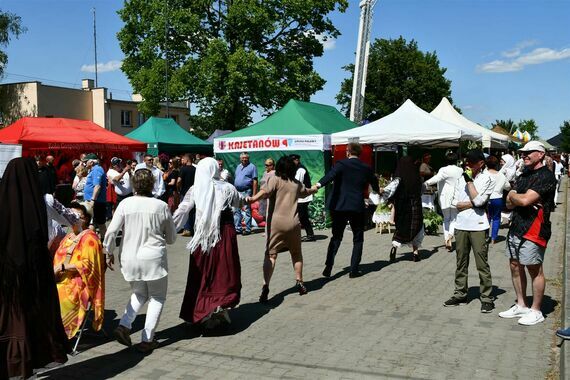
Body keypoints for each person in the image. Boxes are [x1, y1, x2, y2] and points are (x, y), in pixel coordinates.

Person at [0, 157, 69, 379]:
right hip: (30, 278)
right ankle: (24, 366)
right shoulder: (34, 203)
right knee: (26, 323)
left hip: (6, 278)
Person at [103, 168, 177, 353]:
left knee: (139, 293)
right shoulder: (160, 206)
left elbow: (111, 230)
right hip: (153, 258)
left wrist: (108, 251)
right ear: (152, 184)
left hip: (129, 257)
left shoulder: (125, 204)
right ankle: (147, 339)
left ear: (134, 184)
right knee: (157, 297)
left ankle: (125, 325)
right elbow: (171, 238)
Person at [173, 158, 242, 328]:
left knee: (202, 272)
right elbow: (239, 203)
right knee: (223, 271)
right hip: (223, 235)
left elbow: (183, 210)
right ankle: (217, 308)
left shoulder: (196, 189)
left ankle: (202, 310)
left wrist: (168, 228)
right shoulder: (227, 187)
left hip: (203, 237)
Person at [499, 141, 556, 326]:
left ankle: (536, 310)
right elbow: (508, 203)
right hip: (517, 226)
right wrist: (516, 198)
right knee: (515, 266)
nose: (523, 155)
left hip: (535, 228)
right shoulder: (524, 174)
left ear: (540, 154)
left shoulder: (546, 176)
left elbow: (522, 200)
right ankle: (521, 305)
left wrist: (515, 197)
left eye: (528, 152)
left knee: (534, 269)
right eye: (522, 153)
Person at [246, 156, 317, 302]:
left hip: (276, 224)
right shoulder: (296, 184)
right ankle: (300, 281)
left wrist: (253, 199)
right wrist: (315, 188)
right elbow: (306, 192)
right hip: (293, 223)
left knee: (271, 255)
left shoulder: (275, 179)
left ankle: (265, 286)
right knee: (296, 254)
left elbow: (265, 192)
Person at [315, 142, 380, 278]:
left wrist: (318, 185)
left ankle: (328, 266)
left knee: (336, 236)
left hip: (339, 206)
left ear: (348, 152)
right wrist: (378, 191)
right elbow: (374, 182)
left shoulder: (341, 164)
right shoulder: (365, 167)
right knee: (358, 238)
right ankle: (354, 270)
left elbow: (329, 176)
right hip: (356, 206)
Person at [444, 150, 496, 313]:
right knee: (461, 262)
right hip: (461, 224)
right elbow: (454, 202)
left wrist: (469, 183)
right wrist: (473, 203)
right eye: (467, 161)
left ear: (481, 163)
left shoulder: (488, 178)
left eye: (472, 162)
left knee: (482, 263)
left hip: (479, 225)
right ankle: (460, 293)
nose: (468, 164)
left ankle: (486, 297)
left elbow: (481, 201)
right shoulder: (460, 177)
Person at [53, 202, 105, 339]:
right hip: (61, 278)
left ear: (86, 219)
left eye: (76, 216)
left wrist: (63, 267)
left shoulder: (90, 238)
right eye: (70, 215)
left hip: (78, 282)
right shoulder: (69, 236)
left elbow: (89, 265)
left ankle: (58, 334)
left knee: (56, 294)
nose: (72, 219)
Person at [382, 156, 424, 262]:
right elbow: (422, 190)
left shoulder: (398, 178)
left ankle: (394, 248)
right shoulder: (417, 177)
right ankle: (415, 253)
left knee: (401, 228)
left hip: (403, 207)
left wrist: (382, 194)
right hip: (416, 206)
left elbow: (390, 189)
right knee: (416, 229)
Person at [424, 150, 463, 251]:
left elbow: (436, 178)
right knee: (454, 219)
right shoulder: (460, 170)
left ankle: (447, 239)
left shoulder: (443, 169)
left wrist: (425, 183)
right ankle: (450, 235)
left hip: (445, 197)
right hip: (457, 197)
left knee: (446, 219)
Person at [486, 156, 511, 244]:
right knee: (496, 218)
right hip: (498, 199)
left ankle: (485, 237)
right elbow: (508, 187)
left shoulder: (484, 174)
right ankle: (493, 238)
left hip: (486, 199)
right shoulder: (501, 175)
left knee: (487, 218)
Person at [291, 154, 315, 242]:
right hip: (300, 196)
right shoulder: (296, 169)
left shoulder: (300, 169)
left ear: (297, 160)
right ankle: (309, 234)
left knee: (302, 216)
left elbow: (297, 183)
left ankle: (310, 235)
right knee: (301, 216)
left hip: (304, 197)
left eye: (294, 160)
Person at [83, 153, 108, 239]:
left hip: (96, 202)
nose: (84, 163)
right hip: (94, 201)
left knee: (94, 223)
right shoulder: (94, 170)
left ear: (91, 162)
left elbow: (97, 186)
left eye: (85, 162)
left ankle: (99, 242)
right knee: (95, 222)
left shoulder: (97, 169)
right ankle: (98, 241)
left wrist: (93, 200)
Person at [233, 152, 258, 235]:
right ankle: (238, 228)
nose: (244, 159)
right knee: (236, 210)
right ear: (240, 159)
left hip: (247, 191)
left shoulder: (252, 167)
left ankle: (247, 229)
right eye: (243, 158)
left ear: (248, 158)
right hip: (237, 191)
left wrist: (254, 195)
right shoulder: (238, 166)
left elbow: (255, 181)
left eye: (246, 158)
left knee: (247, 210)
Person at [178, 154, 196, 237]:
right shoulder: (195, 169)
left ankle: (187, 229)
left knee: (185, 211)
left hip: (185, 192)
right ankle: (192, 228)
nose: (182, 161)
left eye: (183, 159)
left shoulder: (183, 169)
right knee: (192, 211)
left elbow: (179, 180)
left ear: (187, 160)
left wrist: (178, 187)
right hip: (194, 192)